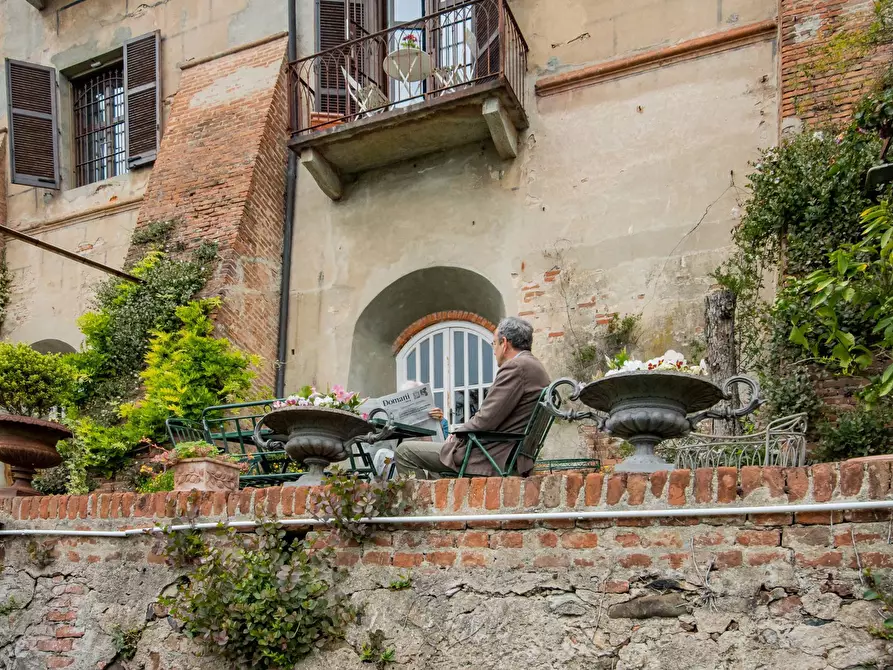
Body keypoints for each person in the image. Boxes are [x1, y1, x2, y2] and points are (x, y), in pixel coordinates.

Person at [395, 316, 550, 479]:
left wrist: (457, 434)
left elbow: (487, 418)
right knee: (433, 462)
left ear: (504, 343)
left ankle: (421, 504)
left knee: (405, 452)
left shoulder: (515, 368)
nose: (494, 350)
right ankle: (436, 501)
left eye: (494, 344)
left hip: (489, 456)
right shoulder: (537, 368)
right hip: (508, 453)